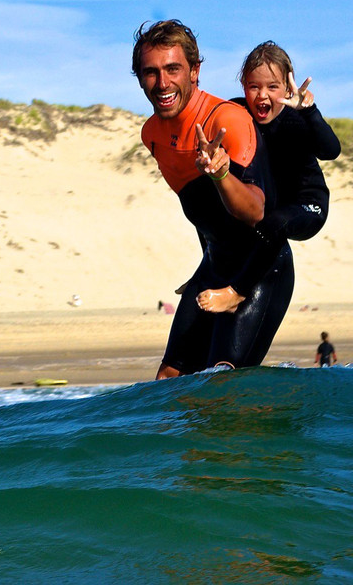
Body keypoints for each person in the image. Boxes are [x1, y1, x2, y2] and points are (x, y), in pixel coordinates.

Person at [133, 20, 294, 377]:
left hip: (261, 270)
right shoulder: (153, 135)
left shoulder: (227, 120)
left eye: (173, 69)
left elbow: (256, 212)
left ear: (195, 71)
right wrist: (205, 262)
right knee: (169, 381)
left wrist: (221, 174)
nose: (162, 84)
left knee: (221, 384)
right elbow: (201, 213)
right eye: (150, 72)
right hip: (214, 267)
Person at [197, 41, 341, 313]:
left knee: (273, 223)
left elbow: (331, 151)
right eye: (254, 86)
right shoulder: (237, 115)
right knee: (209, 201)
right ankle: (208, 270)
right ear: (243, 85)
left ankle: (236, 293)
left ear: (288, 88)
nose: (262, 95)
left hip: (306, 206)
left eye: (272, 87)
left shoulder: (295, 119)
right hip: (268, 203)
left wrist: (309, 112)